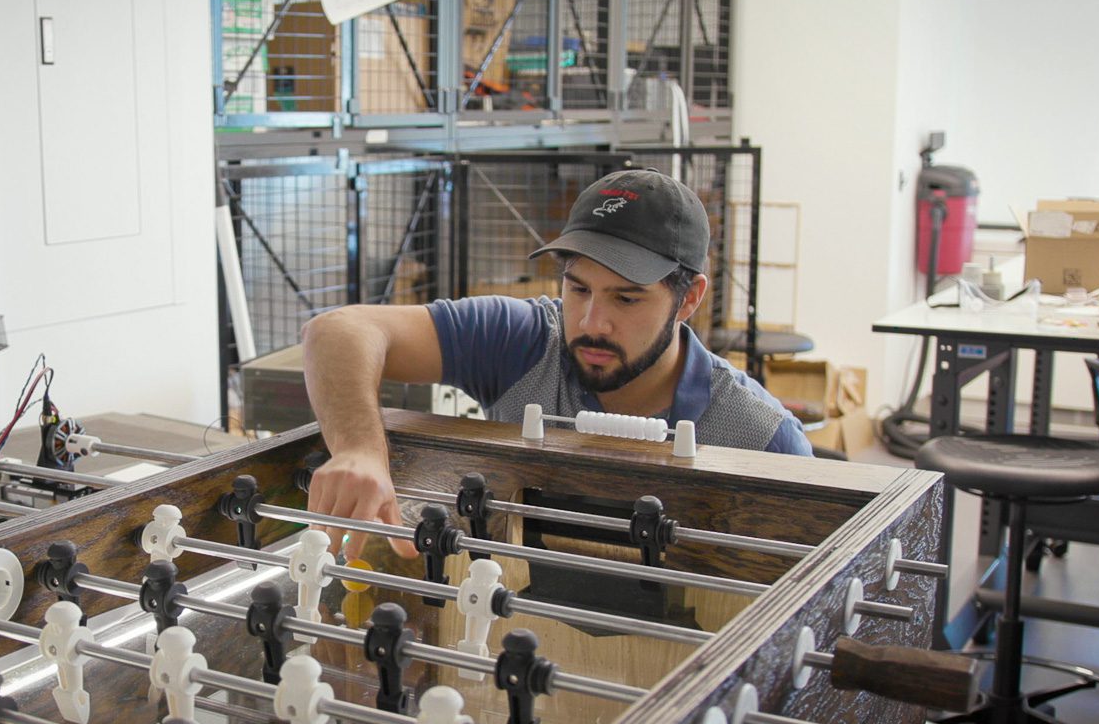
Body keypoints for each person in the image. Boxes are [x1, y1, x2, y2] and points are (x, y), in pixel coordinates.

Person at [300, 168, 812, 558]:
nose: (592, 322)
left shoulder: (763, 438)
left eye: (626, 300)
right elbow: (338, 331)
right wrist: (361, 450)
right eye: (578, 287)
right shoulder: (523, 342)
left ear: (689, 298)